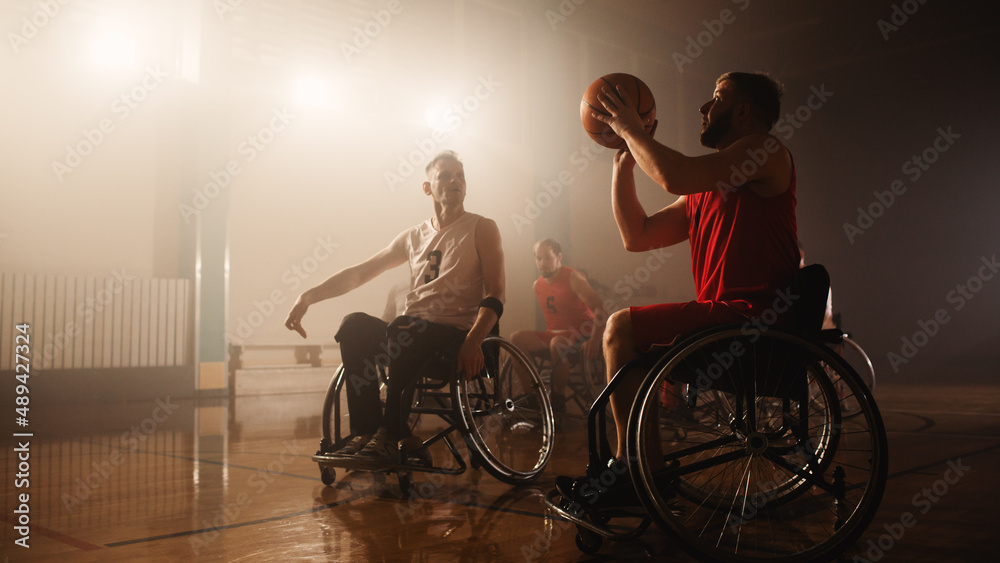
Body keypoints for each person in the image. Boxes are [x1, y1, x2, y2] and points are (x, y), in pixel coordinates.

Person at [560, 71, 798, 500]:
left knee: (619, 328)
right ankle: (643, 470)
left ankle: (634, 468)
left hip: (752, 319)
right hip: (724, 324)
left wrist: (631, 128)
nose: (704, 108)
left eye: (717, 97)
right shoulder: (706, 186)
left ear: (743, 110)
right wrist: (623, 165)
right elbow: (637, 235)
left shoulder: (765, 150)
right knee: (629, 339)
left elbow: (676, 175)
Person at [284, 150, 505, 469]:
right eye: (445, 175)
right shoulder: (413, 236)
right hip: (411, 336)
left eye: (460, 175)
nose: (455, 181)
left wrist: (474, 341)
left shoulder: (482, 227)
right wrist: (308, 296)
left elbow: (497, 294)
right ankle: (366, 431)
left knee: (405, 327)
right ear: (428, 187)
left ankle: (392, 433)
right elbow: (360, 272)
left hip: (455, 338)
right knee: (354, 325)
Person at [510, 238, 605, 414]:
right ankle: (532, 397)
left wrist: (595, 339)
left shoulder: (573, 277)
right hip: (554, 335)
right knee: (516, 339)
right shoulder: (537, 285)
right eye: (538, 258)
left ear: (559, 257)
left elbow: (599, 307)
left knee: (557, 343)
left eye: (547, 258)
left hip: (580, 333)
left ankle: (558, 400)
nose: (542, 263)